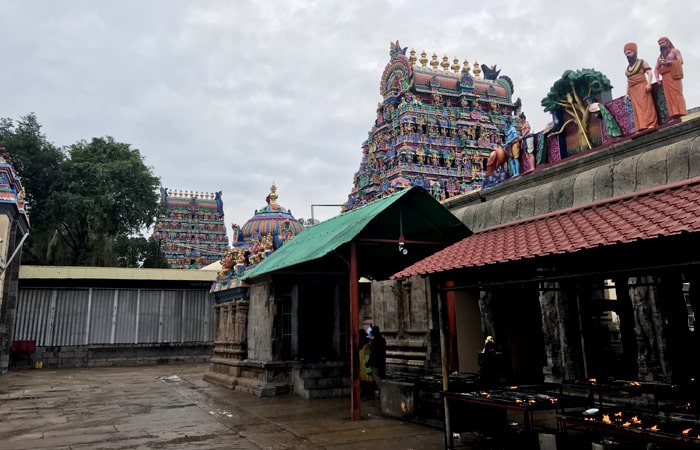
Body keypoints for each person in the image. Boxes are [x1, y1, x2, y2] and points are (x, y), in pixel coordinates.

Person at [623, 42, 657, 133]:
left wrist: (649, 83)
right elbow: (628, 82)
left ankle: (651, 123)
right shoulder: (627, 69)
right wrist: (626, 93)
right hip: (633, 91)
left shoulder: (642, 62)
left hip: (642, 87)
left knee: (646, 106)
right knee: (636, 110)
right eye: (626, 54)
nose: (627, 55)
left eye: (629, 53)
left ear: (635, 52)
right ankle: (641, 127)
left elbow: (649, 73)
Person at [654, 36, 687, 119]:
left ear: (668, 43)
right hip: (665, 78)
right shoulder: (660, 57)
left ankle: (681, 112)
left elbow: (681, 61)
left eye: (663, 43)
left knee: (677, 94)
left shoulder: (675, 51)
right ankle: (673, 115)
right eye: (660, 44)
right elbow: (656, 69)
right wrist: (657, 78)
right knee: (669, 97)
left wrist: (669, 62)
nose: (661, 45)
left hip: (674, 76)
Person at [366, 325, 386, 392]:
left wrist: (368, 362)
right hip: (382, 362)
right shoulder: (382, 340)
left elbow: (373, 353)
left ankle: (382, 391)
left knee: (378, 378)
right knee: (382, 377)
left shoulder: (375, 341)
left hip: (375, 363)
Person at [358, 328, 374, 396]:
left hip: (367, 359)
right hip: (361, 360)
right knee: (362, 376)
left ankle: (370, 391)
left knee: (369, 375)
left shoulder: (369, 342)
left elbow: (372, 352)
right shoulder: (359, 343)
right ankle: (365, 391)